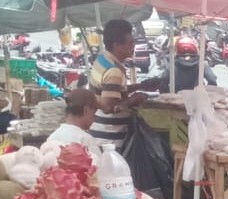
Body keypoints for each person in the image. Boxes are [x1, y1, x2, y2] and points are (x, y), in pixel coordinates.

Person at [89, 19, 143, 151]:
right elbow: (108, 107)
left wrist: (139, 86)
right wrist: (134, 99)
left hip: (98, 131)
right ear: (117, 45)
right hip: (109, 137)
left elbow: (112, 92)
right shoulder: (113, 71)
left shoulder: (102, 59)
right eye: (130, 43)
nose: (133, 45)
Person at [137, 37, 217, 94]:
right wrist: (208, 94)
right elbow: (212, 79)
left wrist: (144, 83)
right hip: (197, 99)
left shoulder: (172, 65)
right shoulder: (202, 65)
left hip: (176, 98)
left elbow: (163, 78)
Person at [43, 88, 101, 155]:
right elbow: (98, 161)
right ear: (86, 110)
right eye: (94, 113)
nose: (94, 119)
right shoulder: (85, 139)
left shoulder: (53, 137)